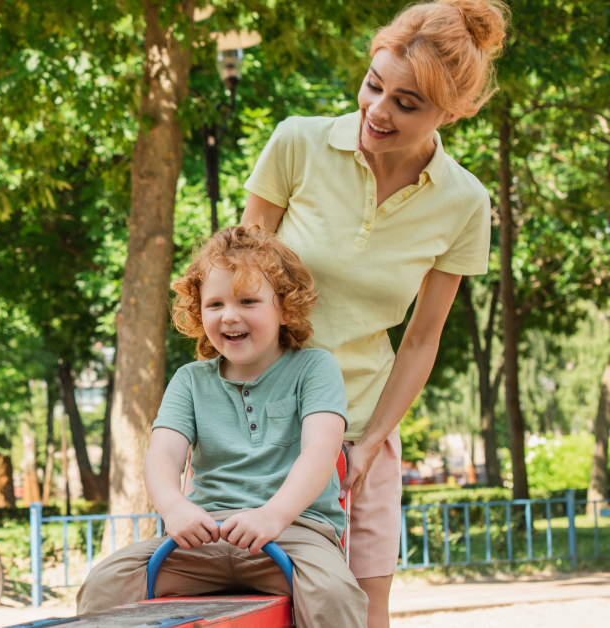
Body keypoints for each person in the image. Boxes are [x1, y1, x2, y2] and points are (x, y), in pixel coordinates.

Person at [240, 1, 509, 626]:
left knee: (361, 611)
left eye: (406, 103)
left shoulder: (466, 202)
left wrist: (369, 444)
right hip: (256, 423)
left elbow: (420, 341)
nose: (377, 111)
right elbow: (236, 282)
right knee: (254, 608)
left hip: (360, 432)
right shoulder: (298, 143)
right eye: (373, 85)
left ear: (453, 112)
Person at [76, 226, 367, 628]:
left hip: (293, 535)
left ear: (285, 308)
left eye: (248, 301)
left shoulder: (314, 368)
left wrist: (272, 516)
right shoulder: (191, 380)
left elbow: (321, 450)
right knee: (106, 583)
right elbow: (162, 453)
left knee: (334, 596)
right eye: (215, 304)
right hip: (204, 539)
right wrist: (175, 508)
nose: (230, 315)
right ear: (199, 314)